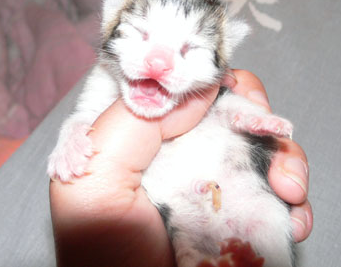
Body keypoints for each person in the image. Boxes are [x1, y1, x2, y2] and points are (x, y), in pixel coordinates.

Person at [50, 70, 312, 267]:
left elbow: (223, 102)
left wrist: (249, 116)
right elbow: (85, 116)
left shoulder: (200, 81)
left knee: (271, 217)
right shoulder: (106, 80)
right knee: (186, 244)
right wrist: (73, 136)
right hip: (179, 209)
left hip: (241, 188)